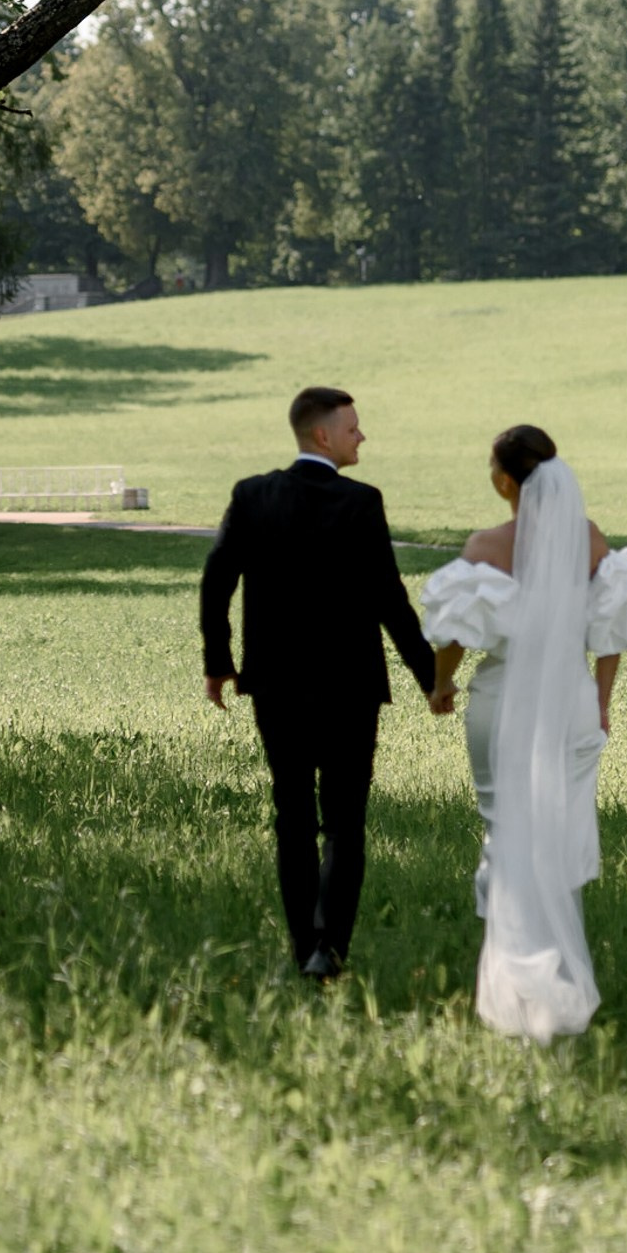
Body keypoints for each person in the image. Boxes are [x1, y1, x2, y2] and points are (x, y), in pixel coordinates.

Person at [421, 423, 627, 1041]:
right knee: (559, 830)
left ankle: (518, 980)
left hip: (504, 703)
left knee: (510, 829)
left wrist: (441, 685)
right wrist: (600, 701)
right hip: (573, 702)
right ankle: (551, 967)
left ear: (504, 480)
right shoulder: (588, 540)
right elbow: (616, 620)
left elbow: (453, 632)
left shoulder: (487, 544)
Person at [200, 384, 438, 980]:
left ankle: (303, 942)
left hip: (276, 687)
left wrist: (219, 661)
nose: (362, 436)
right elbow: (391, 599)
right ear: (323, 435)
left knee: (292, 815)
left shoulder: (252, 496)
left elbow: (216, 581)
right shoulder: (362, 502)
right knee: (346, 821)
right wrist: (430, 677)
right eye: (354, 427)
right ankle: (330, 949)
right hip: (351, 688)